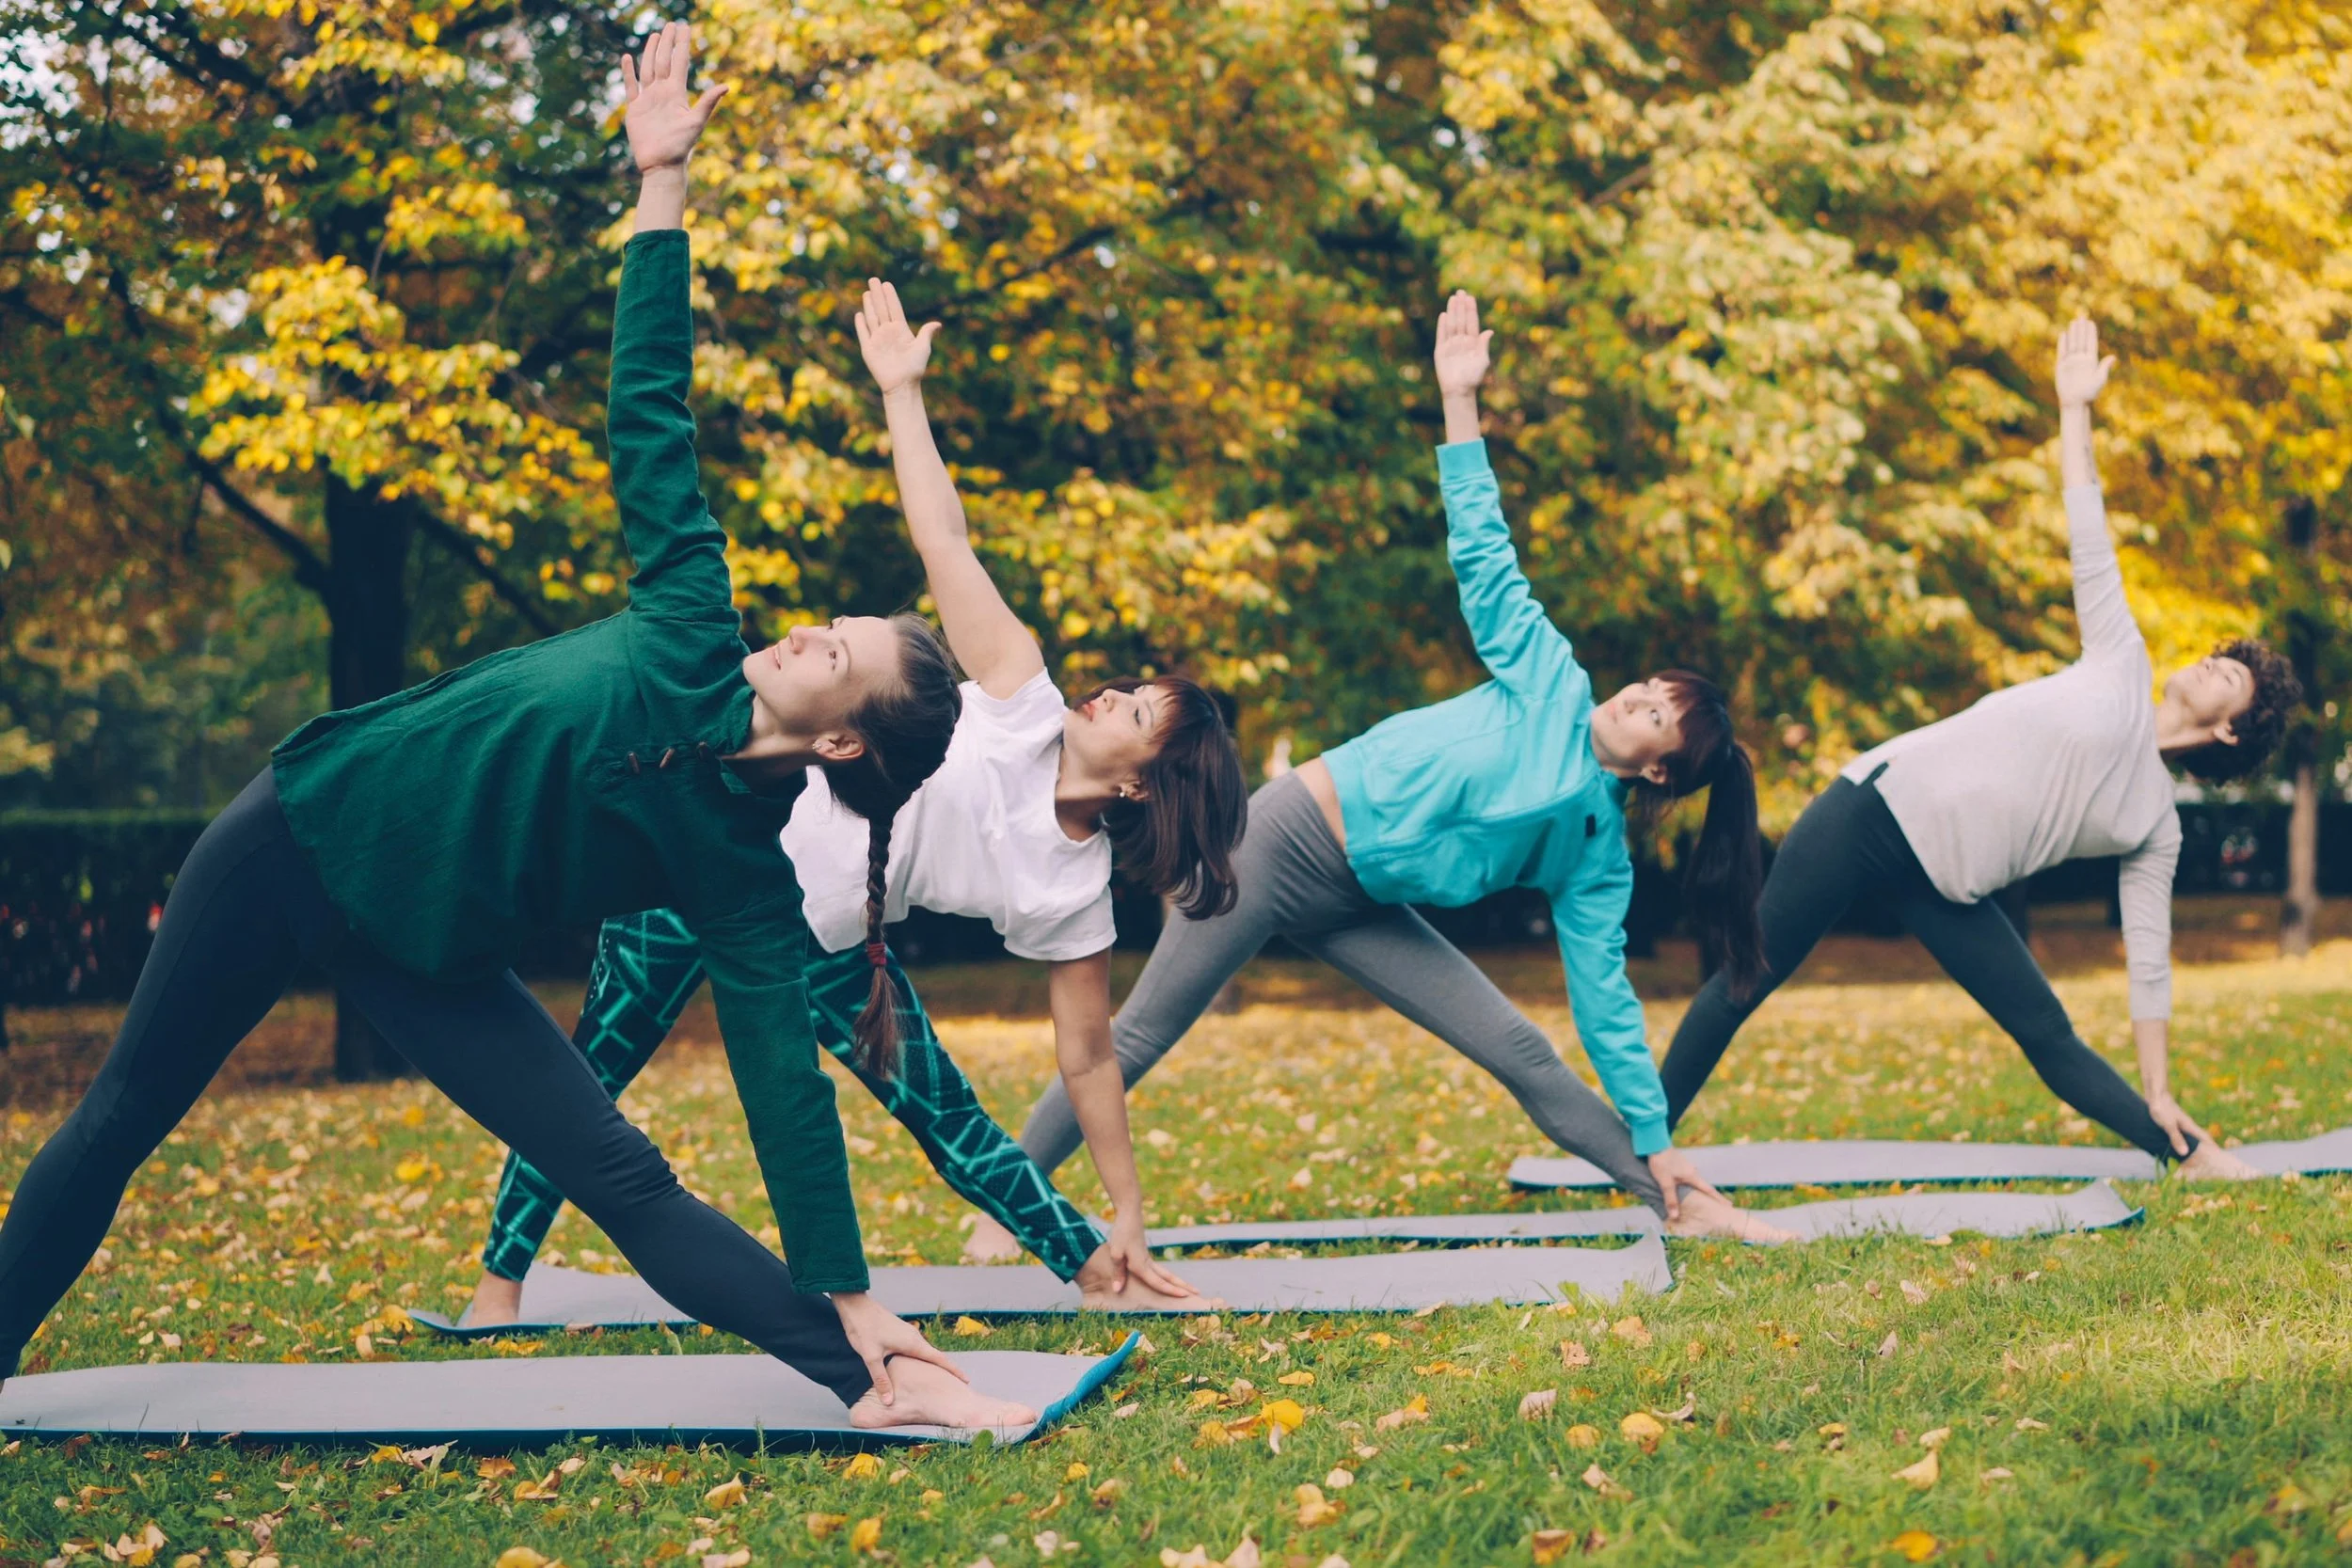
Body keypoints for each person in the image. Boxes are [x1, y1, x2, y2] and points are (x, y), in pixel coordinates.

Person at [0, 24, 1032, 1430]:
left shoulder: (741, 868)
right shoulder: (690, 611)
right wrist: (659, 185)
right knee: (122, 1115)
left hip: (423, 948)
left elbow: (785, 1087)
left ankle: (872, 1375)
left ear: (845, 739)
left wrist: (849, 1287)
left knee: (620, 1175)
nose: (803, 631)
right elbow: (648, 407)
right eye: (826, 623)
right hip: (304, 833)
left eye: (832, 650)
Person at [465, 278, 1249, 1324]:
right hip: (702, 856)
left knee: (950, 1119)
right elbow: (945, 544)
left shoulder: (1072, 889)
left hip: (835, 938)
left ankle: (1100, 1268)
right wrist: (901, 395)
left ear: (1143, 780)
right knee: (592, 1069)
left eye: (1137, 710)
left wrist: (1128, 1208)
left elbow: (1090, 1053)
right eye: (1130, 683)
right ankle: (499, 1283)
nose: (1112, 689)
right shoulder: (1023, 693)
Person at [983, 291, 1791, 1251]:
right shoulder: (1549, 679)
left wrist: (1653, 1132)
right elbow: (1486, 558)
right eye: (1646, 686)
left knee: (1519, 1047)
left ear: (1660, 772)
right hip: (1279, 840)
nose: (1631, 698)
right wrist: (1459, 403)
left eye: (1656, 711)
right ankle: (1008, 1203)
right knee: (1143, 1032)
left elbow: (1603, 996)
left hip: (1360, 899)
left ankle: (1674, 1196)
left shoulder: (1596, 855)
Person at [1659, 316, 2301, 1178]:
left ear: (2229, 729)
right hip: (1870, 812)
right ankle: (1642, 1143)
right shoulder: (2122, 659)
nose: (2209, 663)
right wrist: (2073, 410)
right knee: (1746, 979)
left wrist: (2158, 1080)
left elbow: (2150, 958)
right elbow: (2087, 525)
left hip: (1945, 884)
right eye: (2220, 655)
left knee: (2048, 1034)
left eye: (2229, 676)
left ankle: (2183, 1145)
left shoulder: (2157, 824)